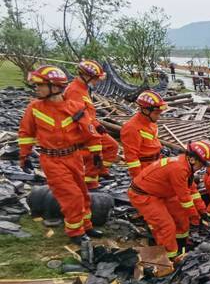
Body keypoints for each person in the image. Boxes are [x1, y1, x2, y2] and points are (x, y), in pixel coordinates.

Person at [18, 65, 103, 244]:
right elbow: (26, 134)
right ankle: (75, 232)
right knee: (71, 196)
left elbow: (90, 132)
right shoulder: (34, 108)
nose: (37, 88)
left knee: (82, 192)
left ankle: (86, 225)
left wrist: (96, 152)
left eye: (40, 85)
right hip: (51, 160)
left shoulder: (76, 108)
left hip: (74, 157)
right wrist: (24, 156)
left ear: (55, 87)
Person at [128, 141, 210, 260]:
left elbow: (192, 191)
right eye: (202, 164)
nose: (202, 168)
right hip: (144, 195)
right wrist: (195, 219)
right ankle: (169, 258)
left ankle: (181, 244)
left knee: (181, 218)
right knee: (166, 226)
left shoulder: (186, 167)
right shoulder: (179, 169)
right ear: (193, 159)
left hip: (162, 192)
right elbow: (185, 199)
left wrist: (202, 211)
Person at [64, 60, 119, 190]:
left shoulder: (83, 88)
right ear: (86, 76)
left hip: (91, 126)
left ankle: (101, 171)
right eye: (95, 78)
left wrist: (97, 125)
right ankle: (90, 182)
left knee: (112, 146)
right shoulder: (74, 91)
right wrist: (92, 132)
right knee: (93, 154)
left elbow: (87, 113)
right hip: (82, 130)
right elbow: (78, 116)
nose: (97, 81)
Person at [120, 90, 166, 179]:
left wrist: (160, 149)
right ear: (145, 110)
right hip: (146, 169)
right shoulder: (131, 128)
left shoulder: (151, 123)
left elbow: (150, 142)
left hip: (155, 163)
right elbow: (131, 158)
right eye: (156, 113)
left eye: (160, 113)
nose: (158, 116)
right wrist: (139, 179)